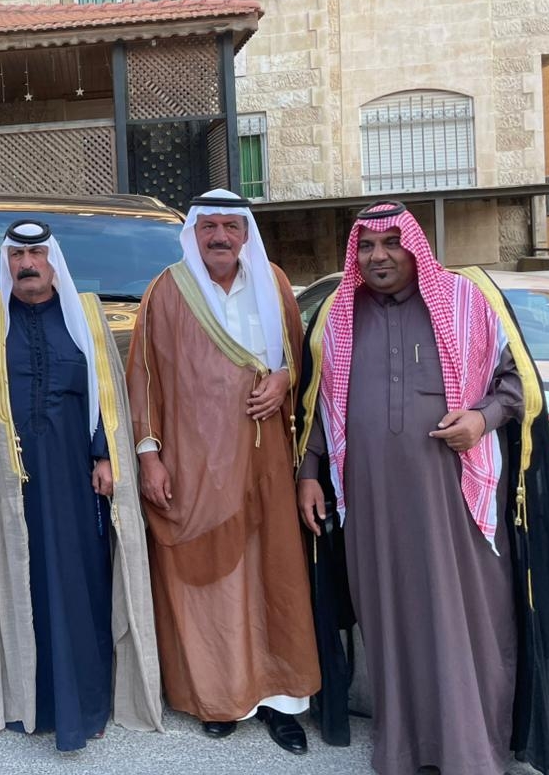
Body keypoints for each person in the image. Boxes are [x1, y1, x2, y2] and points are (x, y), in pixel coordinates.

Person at [297, 199, 549, 775]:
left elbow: (517, 385)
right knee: (390, 618)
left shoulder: (466, 302)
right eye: (366, 246)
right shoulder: (338, 315)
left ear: (416, 246)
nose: (378, 256)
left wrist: (481, 418)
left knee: (467, 616)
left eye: (391, 243)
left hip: (455, 496)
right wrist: (308, 471)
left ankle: (471, 750)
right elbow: (320, 403)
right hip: (371, 500)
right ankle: (401, 746)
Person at [0, 220, 162, 751]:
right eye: (17, 255)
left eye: (37, 253)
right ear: (7, 262)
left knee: (80, 582)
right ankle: (32, 699)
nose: (27, 264)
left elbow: (107, 394)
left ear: (53, 259)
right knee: (24, 582)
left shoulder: (84, 313)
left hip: (75, 481)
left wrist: (105, 454)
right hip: (9, 483)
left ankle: (85, 703)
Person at [126, 189, 320, 753]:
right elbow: (143, 377)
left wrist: (282, 379)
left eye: (230, 227)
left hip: (265, 462)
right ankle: (218, 696)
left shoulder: (274, 283)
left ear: (245, 233)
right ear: (193, 232)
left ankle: (281, 700)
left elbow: (297, 361)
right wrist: (149, 455)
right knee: (207, 577)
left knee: (272, 573)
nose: (220, 237)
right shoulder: (167, 290)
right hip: (193, 463)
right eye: (208, 226)